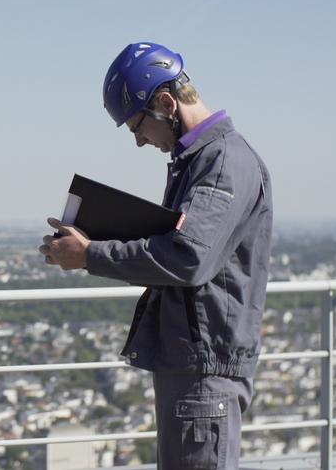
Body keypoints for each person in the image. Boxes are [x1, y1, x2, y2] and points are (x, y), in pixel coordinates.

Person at [38, 42, 273, 470]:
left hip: (205, 371)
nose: (140, 142)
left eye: (137, 127)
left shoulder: (221, 163)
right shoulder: (201, 161)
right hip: (193, 364)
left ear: (166, 103)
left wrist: (91, 254)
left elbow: (187, 257)